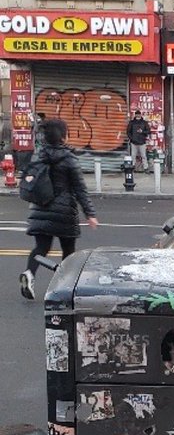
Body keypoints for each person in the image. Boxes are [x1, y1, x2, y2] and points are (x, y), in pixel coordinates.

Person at [19, 118, 98, 301]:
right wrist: (90, 213)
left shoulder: (39, 155)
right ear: (64, 136)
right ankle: (64, 286)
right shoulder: (69, 159)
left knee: (41, 247)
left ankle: (29, 273)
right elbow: (80, 189)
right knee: (68, 251)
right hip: (64, 211)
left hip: (41, 208)